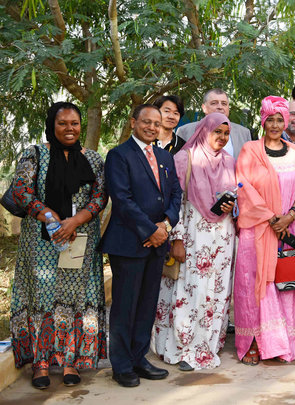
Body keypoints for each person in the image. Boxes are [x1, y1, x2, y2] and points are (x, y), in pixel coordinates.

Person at [9, 102, 107, 389]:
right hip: (41, 240)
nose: (69, 129)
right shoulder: (35, 154)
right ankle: (40, 364)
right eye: (63, 123)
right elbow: (21, 190)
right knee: (41, 296)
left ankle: (70, 361)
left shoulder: (92, 158)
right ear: (52, 125)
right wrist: (49, 215)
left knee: (77, 297)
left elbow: (101, 195)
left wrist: (75, 221)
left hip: (81, 238)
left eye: (75, 123)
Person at [101, 104, 182, 387]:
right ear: (133, 122)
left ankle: (139, 358)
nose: (152, 127)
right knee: (125, 306)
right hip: (128, 243)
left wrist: (165, 227)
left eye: (156, 123)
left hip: (157, 242)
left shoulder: (164, 157)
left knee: (147, 305)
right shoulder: (118, 155)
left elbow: (175, 194)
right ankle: (121, 366)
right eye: (146, 122)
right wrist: (150, 230)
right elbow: (121, 200)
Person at [151, 112, 237, 371]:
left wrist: (234, 205)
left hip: (222, 237)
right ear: (204, 131)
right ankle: (183, 347)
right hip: (191, 234)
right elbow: (172, 203)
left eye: (226, 133)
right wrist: (175, 239)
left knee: (216, 293)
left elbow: (238, 196)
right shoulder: (184, 158)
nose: (221, 137)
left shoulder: (230, 162)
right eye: (217, 132)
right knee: (189, 291)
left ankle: (206, 345)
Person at [234, 96, 295, 365]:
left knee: (286, 286)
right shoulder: (249, 151)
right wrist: (272, 220)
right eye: (271, 119)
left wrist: (290, 215)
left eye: (280, 119)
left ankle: (283, 344)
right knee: (254, 286)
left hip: (290, 228)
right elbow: (243, 187)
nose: (276, 124)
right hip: (257, 231)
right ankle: (255, 343)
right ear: (263, 120)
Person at [175, 88, 252, 161]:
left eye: (224, 104)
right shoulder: (184, 131)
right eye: (214, 103)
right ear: (204, 107)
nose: (220, 107)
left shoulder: (244, 133)